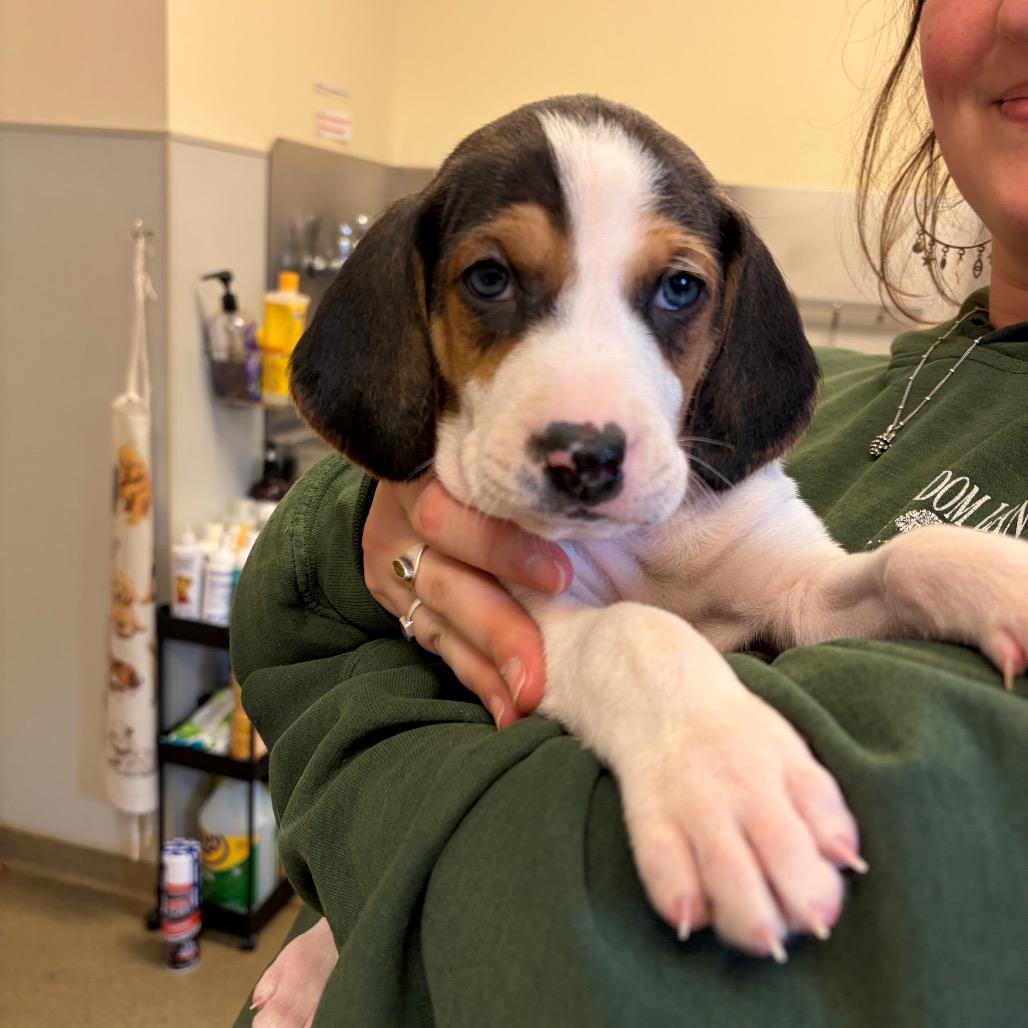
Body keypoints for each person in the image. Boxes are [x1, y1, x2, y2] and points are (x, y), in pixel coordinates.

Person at [234, 0, 1028, 1024]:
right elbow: (300, 625)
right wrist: (370, 526)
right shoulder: (885, 395)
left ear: (730, 316)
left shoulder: (731, 463)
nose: (586, 423)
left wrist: (924, 568)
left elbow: (814, 593)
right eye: (492, 278)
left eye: (671, 290)